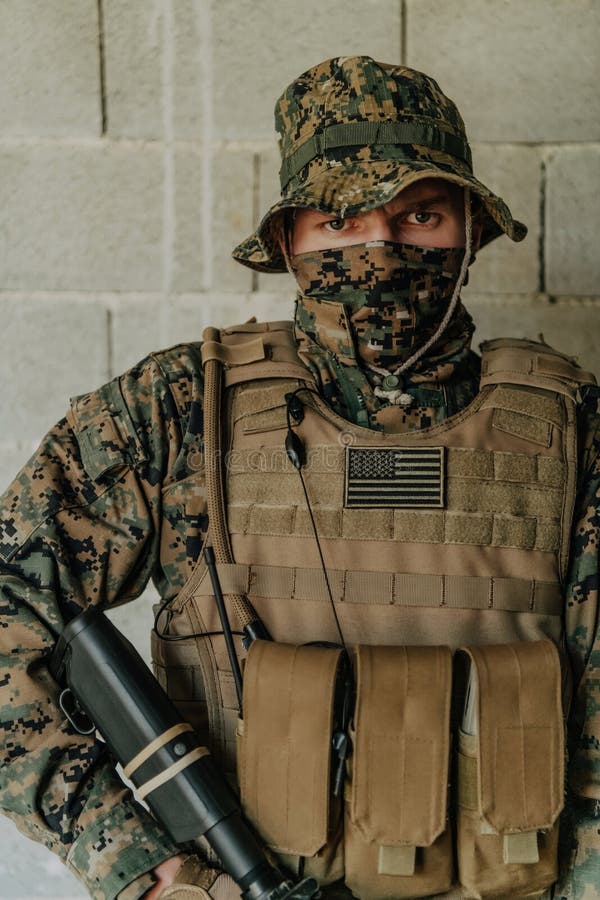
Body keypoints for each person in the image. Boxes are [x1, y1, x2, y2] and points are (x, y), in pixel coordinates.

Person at [0, 56, 598, 900]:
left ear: (470, 229)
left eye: (419, 215)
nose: (380, 249)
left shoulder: (571, 428)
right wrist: (139, 864)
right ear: (288, 242)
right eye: (341, 221)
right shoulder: (179, 413)